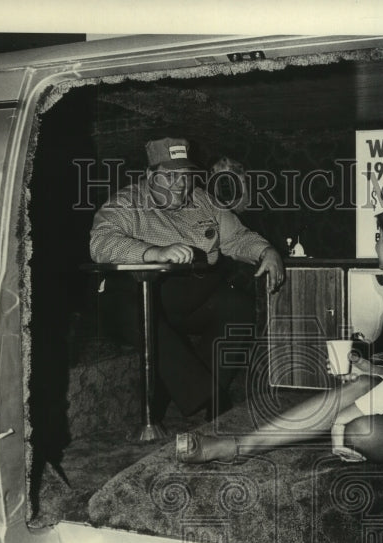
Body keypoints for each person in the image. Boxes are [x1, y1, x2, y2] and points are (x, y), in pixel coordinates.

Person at [178, 204, 383, 473]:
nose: (375, 243)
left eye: (380, 237)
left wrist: (345, 418)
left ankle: (241, 445)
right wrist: (369, 368)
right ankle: (240, 446)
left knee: (358, 428)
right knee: (364, 386)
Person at [90, 137, 286, 418]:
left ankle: (199, 396)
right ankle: (211, 397)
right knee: (145, 316)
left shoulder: (203, 200)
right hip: (130, 298)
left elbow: (238, 238)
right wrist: (153, 252)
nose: (181, 183)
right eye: (170, 176)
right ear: (150, 175)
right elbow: (100, 243)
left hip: (185, 296)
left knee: (237, 306)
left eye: (185, 175)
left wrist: (267, 251)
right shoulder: (126, 202)